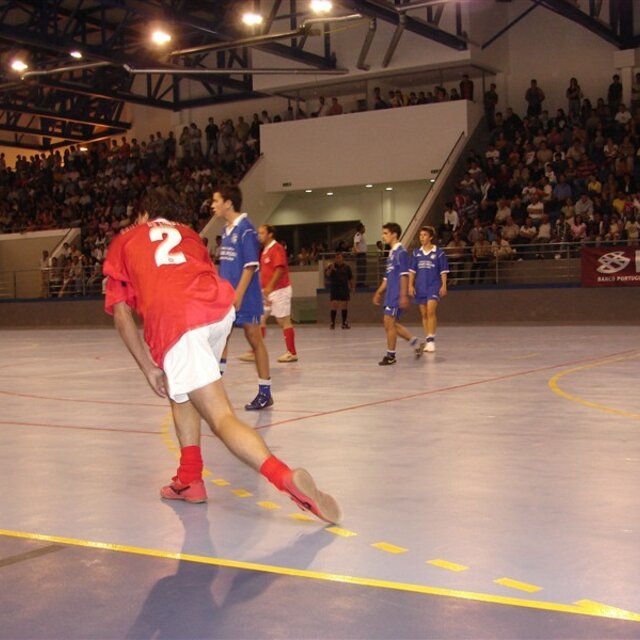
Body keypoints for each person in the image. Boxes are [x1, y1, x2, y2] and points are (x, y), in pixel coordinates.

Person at [102, 190, 341, 523]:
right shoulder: (189, 235)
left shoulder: (126, 240)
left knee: (220, 417)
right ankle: (189, 479)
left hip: (179, 321)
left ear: (143, 215)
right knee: (182, 391)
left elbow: (122, 315)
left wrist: (147, 368)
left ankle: (284, 477)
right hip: (218, 311)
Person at [212, 185, 273, 411]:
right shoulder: (226, 231)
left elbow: (250, 266)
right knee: (221, 338)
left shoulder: (246, 229)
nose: (212, 205)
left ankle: (265, 391)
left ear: (228, 203)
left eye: (216, 200)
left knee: (254, 339)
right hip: (227, 297)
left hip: (246, 297)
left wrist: (237, 295)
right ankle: (215, 389)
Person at [372, 222, 424, 365]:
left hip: (396, 294)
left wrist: (403, 295)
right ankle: (416, 343)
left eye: (385, 233)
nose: (383, 237)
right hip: (390, 293)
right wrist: (378, 292)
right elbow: (387, 277)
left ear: (394, 234)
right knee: (391, 324)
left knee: (389, 323)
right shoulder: (391, 253)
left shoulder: (401, 253)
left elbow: (404, 275)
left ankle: (391, 356)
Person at [258, 224, 298, 363]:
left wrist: (269, 287)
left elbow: (280, 270)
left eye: (262, 233)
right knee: (260, 318)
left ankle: (292, 352)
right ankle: (255, 350)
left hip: (280, 290)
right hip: (267, 292)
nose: (259, 235)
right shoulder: (264, 251)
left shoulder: (277, 248)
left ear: (270, 234)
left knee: (283, 320)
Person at [408, 226, 449, 353]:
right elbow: (412, 271)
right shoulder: (416, 253)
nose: (422, 237)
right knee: (424, 314)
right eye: (420, 235)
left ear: (430, 237)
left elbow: (443, 271)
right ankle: (427, 339)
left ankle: (431, 341)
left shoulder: (439, 252)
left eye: (425, 235)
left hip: (433, 285)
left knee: (431, 311)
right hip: (420, 286)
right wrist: (410, 285)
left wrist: (444, 285)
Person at [325, 252, 354, 329]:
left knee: (344, 305)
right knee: (334, 305)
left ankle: (344, 323)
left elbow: (350, 278)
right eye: (337, 258)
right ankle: (332, 323)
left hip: (344, 288)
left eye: (340, 257)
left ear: (342, 258)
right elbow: (327, 275)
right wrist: (331, 268)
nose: (338, 259)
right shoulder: (331, 266)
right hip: (335, 288)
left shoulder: (347, 267)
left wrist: (352, 287)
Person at [353, 222, 367, 287]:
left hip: (363, 254)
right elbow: (356, 244)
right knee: (361, 269)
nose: (364, 229)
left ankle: (362, 283)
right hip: (360, 255)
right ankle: (359, 284)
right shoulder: (358, 235)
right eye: (363, 227)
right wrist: (357, 251)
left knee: (363, 269)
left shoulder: (361, 235)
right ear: (361, 228)